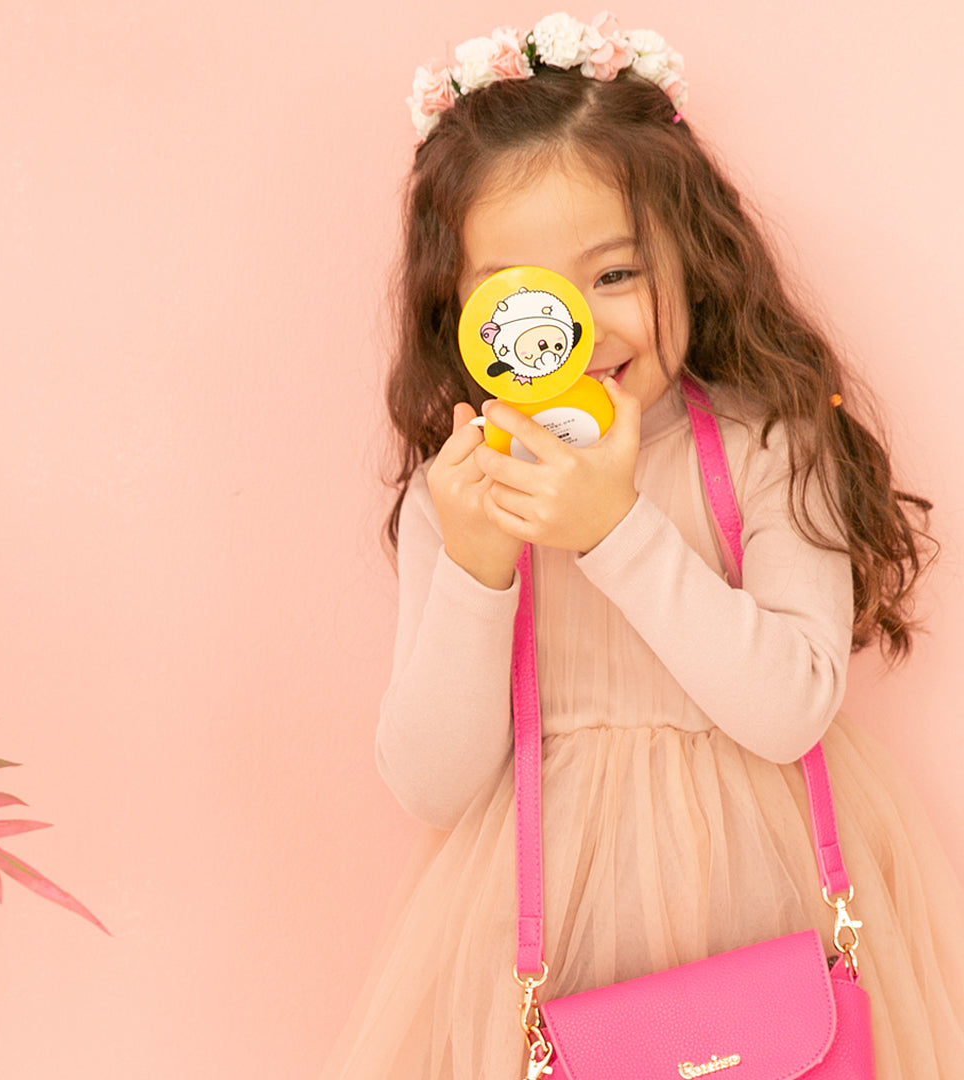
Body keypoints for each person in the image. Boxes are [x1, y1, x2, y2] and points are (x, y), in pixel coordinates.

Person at [324, 12, 964, 1079]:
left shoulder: (768, 438)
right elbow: (434, 786)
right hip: (546, 911)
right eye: (526, 299)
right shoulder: (470, 491)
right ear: (463, 317)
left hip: (770, 888)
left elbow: (789, 707)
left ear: (692, 260)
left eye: (615, 276)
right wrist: (481, 564)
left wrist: (614, 530)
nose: (577, 330)